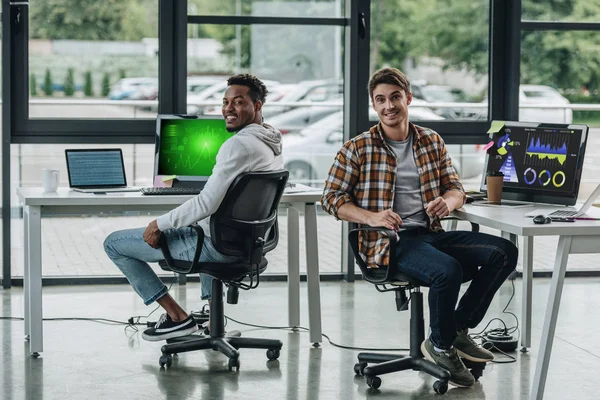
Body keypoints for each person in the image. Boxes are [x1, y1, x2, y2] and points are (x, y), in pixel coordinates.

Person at [321, 67, 518, 388]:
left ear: (408, 98)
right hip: (388, 242)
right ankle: (441, 347)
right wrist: (373, 217)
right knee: (447, 270)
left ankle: (453, 329)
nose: (389, 106)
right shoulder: (357, 148)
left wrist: (448, 203)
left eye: (395, 97)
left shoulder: (430, 140)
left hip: (429, 234)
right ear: (374, 105)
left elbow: (456, 188)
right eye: (381, 100)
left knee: (504, 251)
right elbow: (331, 199)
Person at [104, 74, 283, 341]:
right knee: (201, 224)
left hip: (218, 247)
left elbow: (205, 202)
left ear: (257, 106)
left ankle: (177, 318)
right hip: (247, 243)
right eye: (225, 102)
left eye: (238, 102)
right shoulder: (272, 142)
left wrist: (158, 224)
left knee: (114, 244)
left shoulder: (238, 145)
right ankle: (213, 319)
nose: (228, 108)